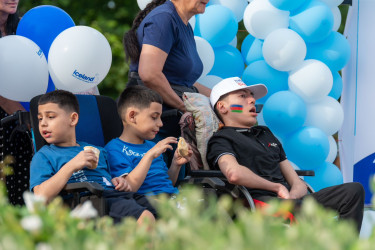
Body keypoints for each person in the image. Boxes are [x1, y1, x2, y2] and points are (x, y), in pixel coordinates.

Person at [206, 77, 365, 232]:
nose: (252, 100)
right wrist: (276, 187)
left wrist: (292, 195)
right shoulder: (221, 139)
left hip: (291, 201)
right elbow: (233, 174)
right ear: (222, 107)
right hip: (259, 203)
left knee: (353, 191)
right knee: (305, 214)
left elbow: (296, 181)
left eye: (251, 95)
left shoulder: (264, 133)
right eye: (242, 96)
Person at [29, 90, 156, 225]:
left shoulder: (99, 151)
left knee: (166, 211)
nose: (43, 123)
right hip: (86, 202)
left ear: (73, 119)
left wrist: (118, 181)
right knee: (145, 218)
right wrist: (72, 165)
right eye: (40, 118)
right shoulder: (43, 156)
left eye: (50, 117)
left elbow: (107, 179)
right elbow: (40, 197)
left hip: (114, 196)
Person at [123, 0, 211, 147]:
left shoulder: (186, 26)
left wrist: (222, 96)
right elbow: (149, 74)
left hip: (174, 124)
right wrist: (185, 108)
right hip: (157, 126)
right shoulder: (163, 18)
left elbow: (184, 81)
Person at [105, 86, 192, 196]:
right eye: (154, 117)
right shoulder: (114, 149)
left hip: (171, 199)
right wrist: (150, 155)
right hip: (148, 203)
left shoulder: (151, 146)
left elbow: (165, 183)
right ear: (132, 116)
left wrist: (176, 164)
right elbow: (129, 187)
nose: (160, 123)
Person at [0, 0, 32, 206]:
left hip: (25, 121)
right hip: (11, 118)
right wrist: (24, 115)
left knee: (23, 192)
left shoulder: (25, 27)